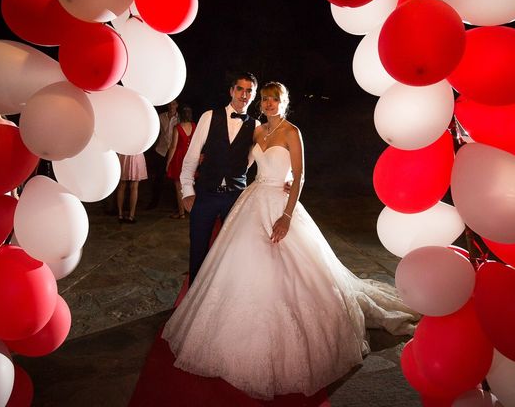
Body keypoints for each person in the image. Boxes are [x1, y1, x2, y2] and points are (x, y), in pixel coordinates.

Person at [162, 81, 418, 400]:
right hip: (252, 200)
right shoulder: (255, 130)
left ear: (285, 102)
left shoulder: (291, 132)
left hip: (281, 207)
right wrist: (207, 169)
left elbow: (299, 175)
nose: (269, 104)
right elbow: (240, 163)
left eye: (275, 99)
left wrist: (286, 214)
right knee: (238, 262)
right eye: (266, 99)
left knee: (288, 265)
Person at [179, 72, 259, 284]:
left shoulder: (257, 126)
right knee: (198, 250)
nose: (244, 94)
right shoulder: (209, 116)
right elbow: (191, 158)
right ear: (231, 91)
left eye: (249, 90)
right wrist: (187, 191)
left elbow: (251, 160)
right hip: (205, 195)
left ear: (254, 95)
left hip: (235, 198)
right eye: (240, 89)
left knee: (231, 253)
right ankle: (193, 300)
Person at [145, 100, 179, 210]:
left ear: (177, 105)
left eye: (173, 104)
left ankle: (177, 204)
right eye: (169, 104)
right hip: (161, 150)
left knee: (175, 178)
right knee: (158, 178)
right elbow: (155, 131)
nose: (171, 106)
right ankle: (154, 202)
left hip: (175, 151)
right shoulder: (161, 117)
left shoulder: (180, 118)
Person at [165, 104, 196, 219]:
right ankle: (192, 210)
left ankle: (181, 212)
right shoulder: (194, 126)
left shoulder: (177, 128)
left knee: (179, 187)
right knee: (190, 185)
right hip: (190, 158)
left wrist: (168, 162)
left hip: (179, 158)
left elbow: (173, 147)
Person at [116, 153, 148, 223]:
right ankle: (131, 215)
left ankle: (120, 214)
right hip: (136, 155)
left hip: (124, 155)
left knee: (121, 186)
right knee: (134, 187)